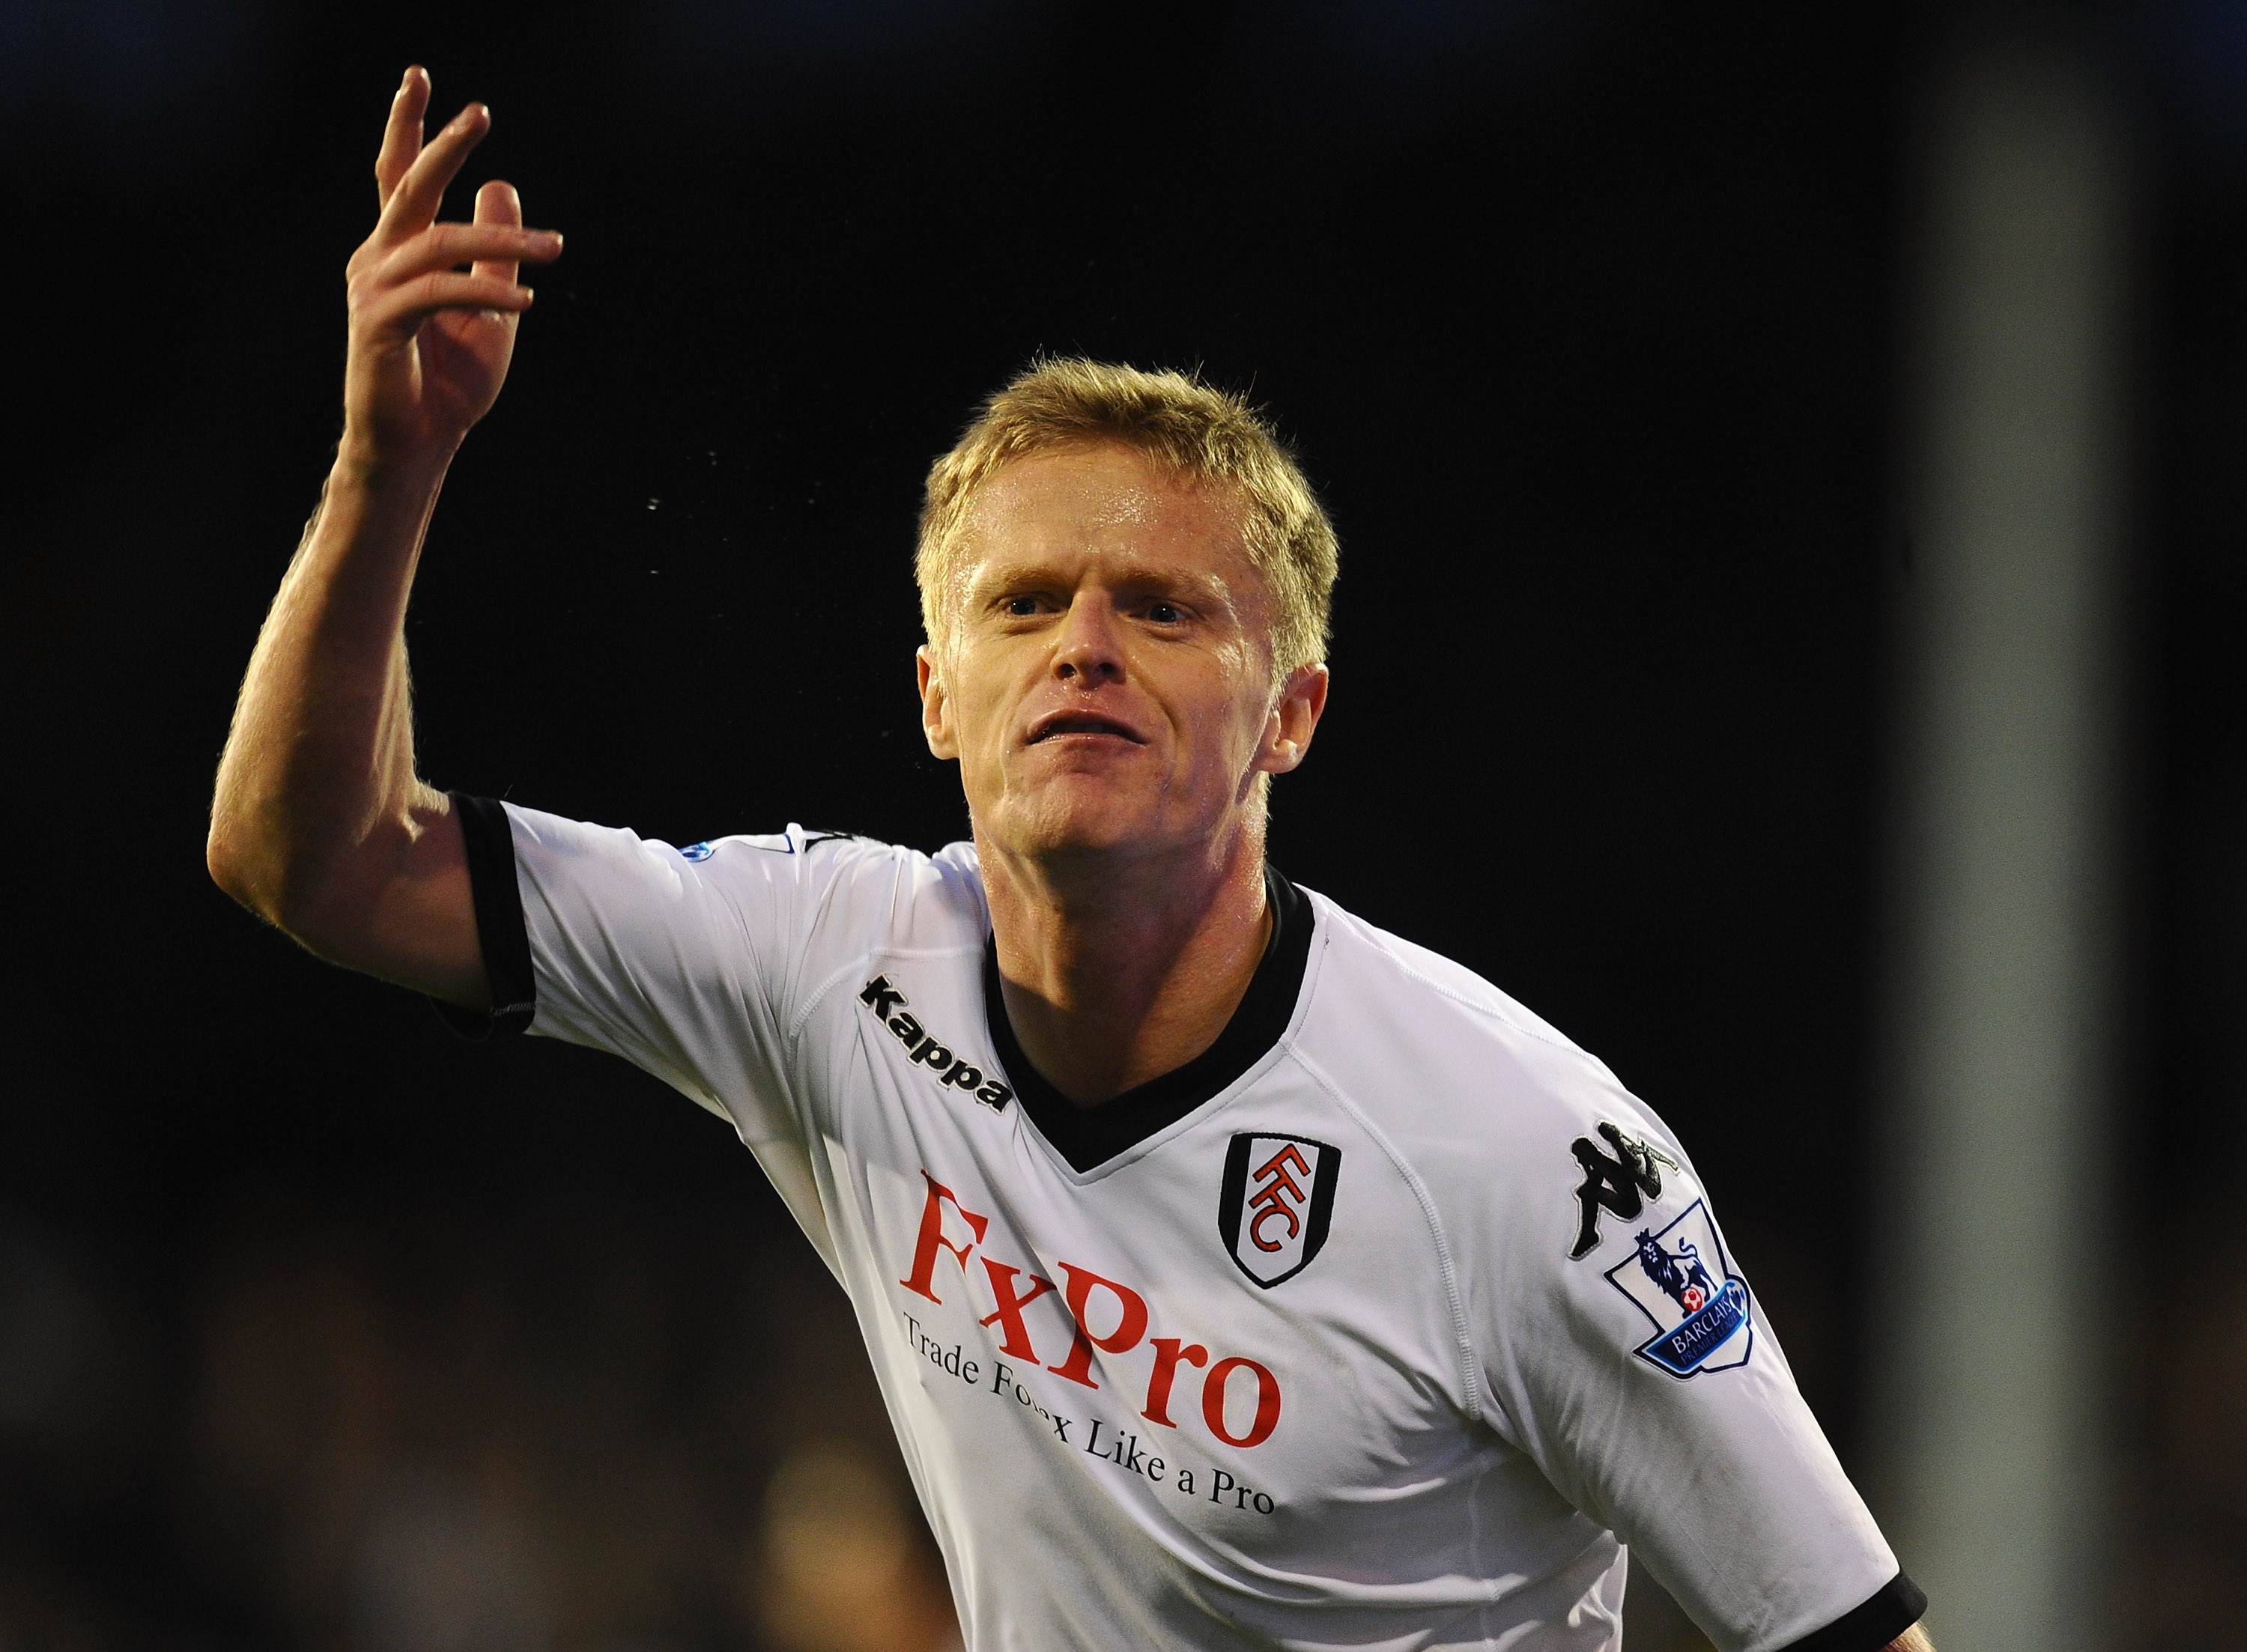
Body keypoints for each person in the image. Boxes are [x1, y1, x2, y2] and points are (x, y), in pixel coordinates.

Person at [207, 66, 1935, 1652]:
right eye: (1025, 603)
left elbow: (1853, 1635)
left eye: (1164, 608)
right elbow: (322, 860)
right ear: (939, 696)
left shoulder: (1529, 1161)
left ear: (1294, 715)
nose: (1084, 646)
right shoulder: (831, 962)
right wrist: (389, 460)